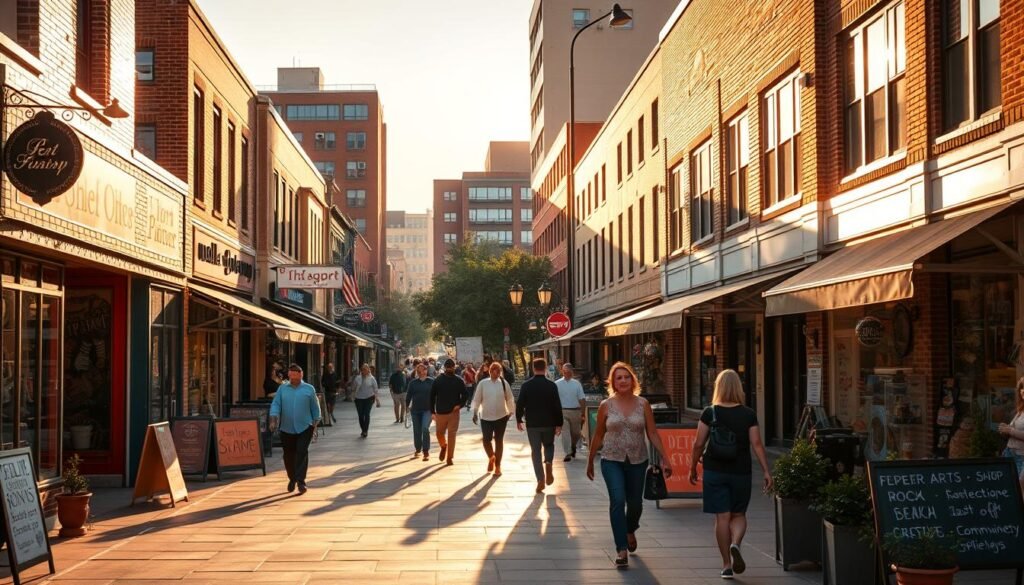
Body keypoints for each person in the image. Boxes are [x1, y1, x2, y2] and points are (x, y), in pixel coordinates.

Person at [586, 361, 673, 569]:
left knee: (635, 504)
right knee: (617, 500)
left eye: (627, 377)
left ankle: (630, 528)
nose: (623, 380)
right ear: (613, 382)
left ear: (633, 380)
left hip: (637, 460)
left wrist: (665, 458)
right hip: (611, 459)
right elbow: (598, 434)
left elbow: (652, 433)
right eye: (619, 378)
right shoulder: (606, 405)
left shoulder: (643, 404)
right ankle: (621, 549)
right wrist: (590, 460)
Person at [687, 369, 772, 579]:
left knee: (722, 517)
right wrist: (766, 471)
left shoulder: (710, 412)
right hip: (741, 471)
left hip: (714, 471)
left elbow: (698, 443)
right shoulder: (749, 414)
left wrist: (692, 467)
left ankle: (726, 565)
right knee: (739, 514)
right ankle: (736, 543)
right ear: (738, 388)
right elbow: (757, 444)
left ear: (718, 387)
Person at [269, 364, 320, 494]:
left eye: (296, 377)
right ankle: (292, 478)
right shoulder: (282, 389)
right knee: (288, 455)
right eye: (292, 377)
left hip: (305, 426)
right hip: (286, 427)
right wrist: (274, 417)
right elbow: (276, 404)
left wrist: (316, 421)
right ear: (289, 376)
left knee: (302, 452)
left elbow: (315, 407)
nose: (294, 380)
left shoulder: (309, 389)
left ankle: (301, 482)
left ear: (301, 375)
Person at [516, 358, 563, 493]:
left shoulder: (526, 385)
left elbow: (520, 404)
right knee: (549, 445)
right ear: (545, 368)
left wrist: (519, 419)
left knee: (535, 451)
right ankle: (548, 462)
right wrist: (559, 423)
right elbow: (557, 406)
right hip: (549, 423)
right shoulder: (551, 385)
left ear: (533, 368)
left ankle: (540, 479)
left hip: (533, 424)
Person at [470, 361, 516, 477]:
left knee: (499, 441)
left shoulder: (504, 383)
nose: (497, 373)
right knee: (486, 440)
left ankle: (498, 466)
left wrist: (511, 411)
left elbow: (509, 398)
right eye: (494, 371)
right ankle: (491, 456)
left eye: (499, 371)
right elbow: (477, 399)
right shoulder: (483, 383)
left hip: (501, 416)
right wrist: (475, 412)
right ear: (490, 371)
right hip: (486, 417)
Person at [430, 358, 467, 465]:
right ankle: (443, 446)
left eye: (452, 367)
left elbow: (465, 395)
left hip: (453, 413)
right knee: (439, 433)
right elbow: (432, 396)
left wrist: (460, 405)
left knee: (452, 435)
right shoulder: (438, 380)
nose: (450, 369)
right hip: (440, 412)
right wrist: (432, 412)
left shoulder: (459, 380)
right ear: (445, 367)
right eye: (449, 367)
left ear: (454, 367)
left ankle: (449, 458)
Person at [998, 377, 1024, 495]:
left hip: (1022, 456)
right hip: (1010, 453)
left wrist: (1010, 430)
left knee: (1019, 488)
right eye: (1021, 388)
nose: (1023, 391)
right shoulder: (1020, 411)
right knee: (1009, 489)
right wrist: (1005, 430)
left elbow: (1013, 431)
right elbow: (1012, 431)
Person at [556, 362, 587, 462]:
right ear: (562, 371)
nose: (566, 373)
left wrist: (583, 413)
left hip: (575, 411)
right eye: (564, 371)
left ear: (572, 372)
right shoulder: (557, 384)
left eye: (568, 372)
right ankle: (568, 453)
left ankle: (573, 446)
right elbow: (554, 399)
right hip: (562, 411)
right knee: (565, 432)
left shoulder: (577, 384)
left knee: (576, 433)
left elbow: (582, 398)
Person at [405, 362, 434, 460]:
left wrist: (435, 410)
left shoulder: (431, 381)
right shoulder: (413, 383)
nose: (421, 372)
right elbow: (408, 396)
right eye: (419, 371)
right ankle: (418, 449)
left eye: (423, 370)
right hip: (415, 410)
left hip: (428, 410)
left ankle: (426, 451)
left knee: (425, 428)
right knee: (417, 431)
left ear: (426, 371)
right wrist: (406, 407)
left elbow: (436, 396)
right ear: (417, 372)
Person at [352, 363, 381, 438]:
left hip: (369, 398)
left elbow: (375, 389)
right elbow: (353, 387)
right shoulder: (358, 378)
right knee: (361, 415)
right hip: (359, 399)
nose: (363, 371)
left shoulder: (372, 378)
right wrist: (353, 393)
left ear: (368, 370)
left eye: (365, 369)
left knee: (366, 414)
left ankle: (365, 431)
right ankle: (363, 429)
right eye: (362, 369)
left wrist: (377, 400)